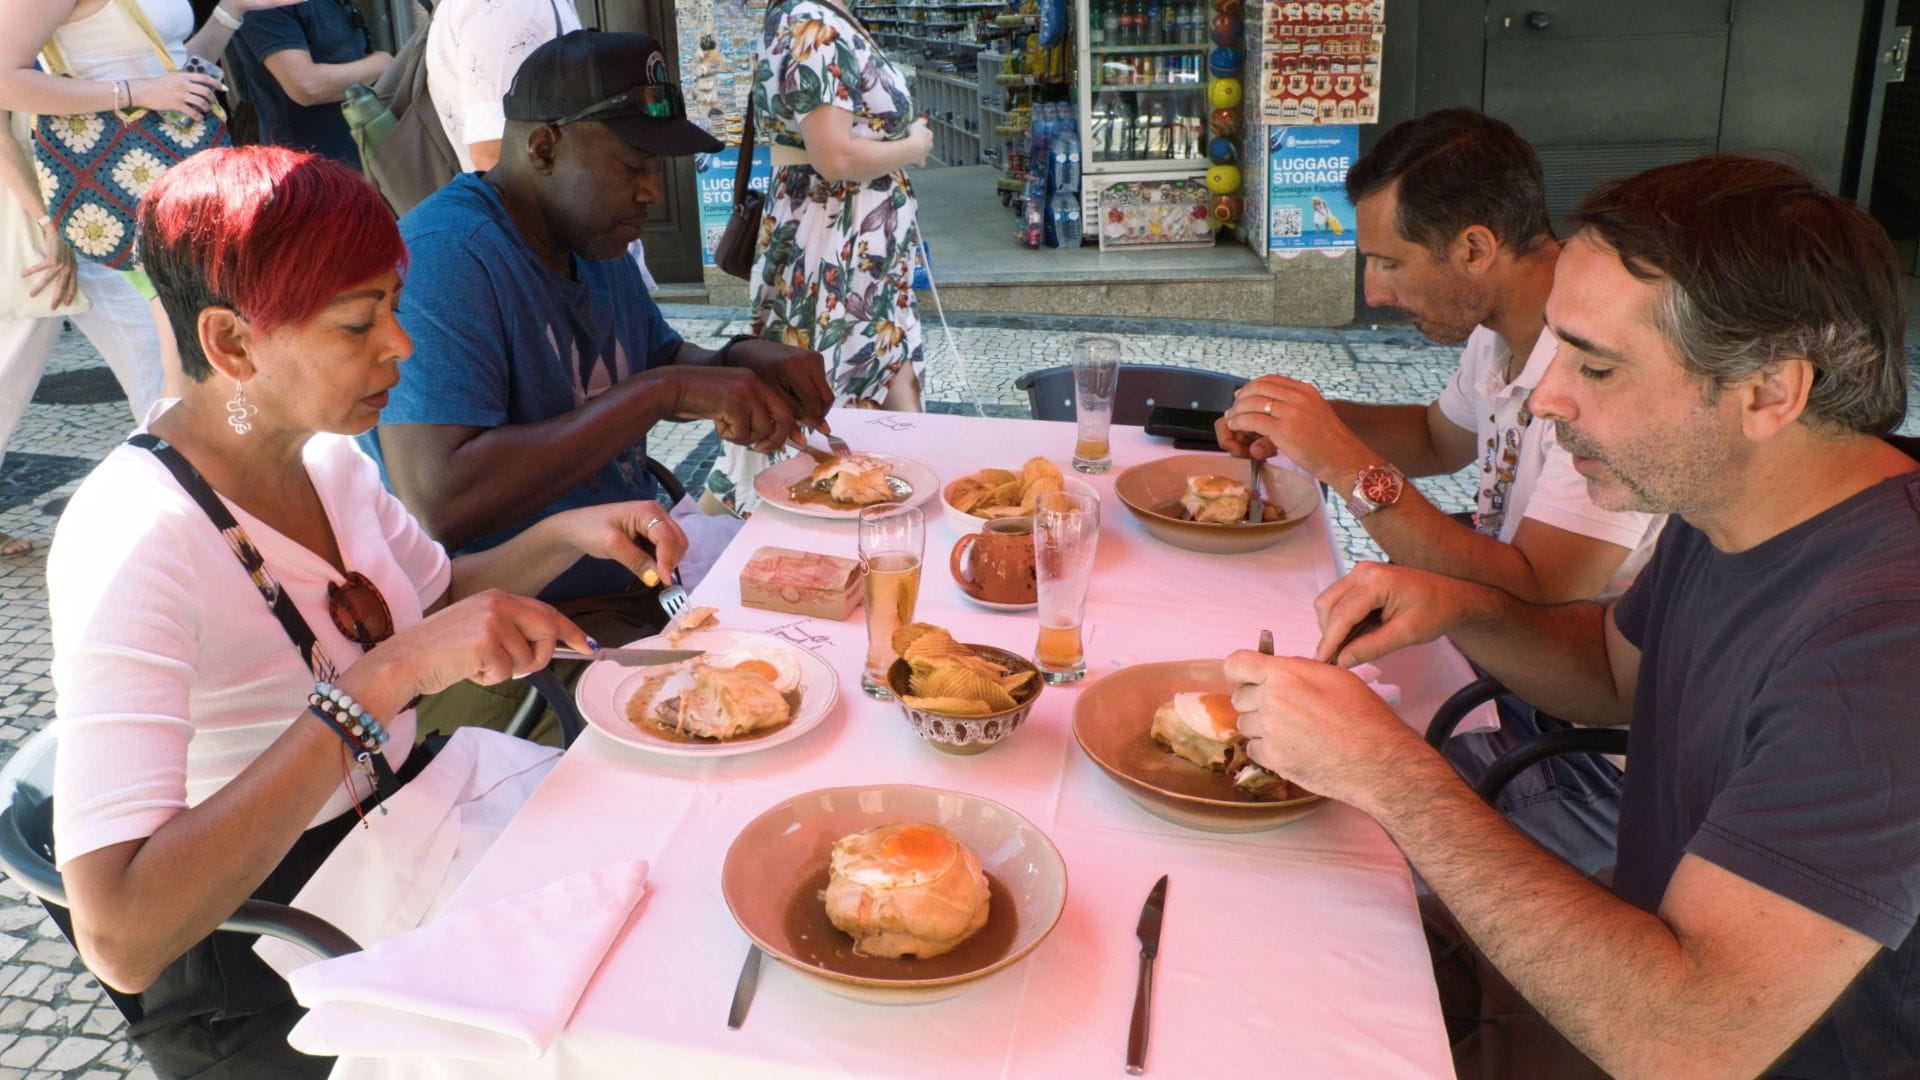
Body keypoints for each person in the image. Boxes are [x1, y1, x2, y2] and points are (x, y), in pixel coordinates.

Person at [1227, 155, 1919, 1076]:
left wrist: (1392, 771)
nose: (1547, 400)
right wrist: (1460, 607)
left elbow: (1690, 1040)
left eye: (1594, 366)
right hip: (1641, 957)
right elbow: (1610, 673)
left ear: (1767, 391)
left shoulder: (1881, 651)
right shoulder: (1738, 507)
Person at [46, 144, 691, 1077]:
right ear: (231, 344)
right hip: (276, 951)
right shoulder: (134, 537)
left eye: (394, 304)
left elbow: (435, 604)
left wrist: (572, 533)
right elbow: (122, 933)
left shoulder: (329, 457)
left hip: (407, 835)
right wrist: (384, 680)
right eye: (359, 323)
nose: (403, 345)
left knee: (660, 903)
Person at [1220, 109, 1663, 873]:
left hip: (1576, 747)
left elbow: (1541, 592)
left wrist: (1349, 467)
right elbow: (1435, 437)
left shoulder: (1599, 370)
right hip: (1490, 669)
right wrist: (1307, 423)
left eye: (1390, 263)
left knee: (1312, 843)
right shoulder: (1502, 329)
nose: (1374, 289)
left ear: (1474, 248)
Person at [364, 30, 832, 740]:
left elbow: (653, 361)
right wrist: (664, 393)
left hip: (642, 580)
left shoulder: (594, 238)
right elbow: (443, 501)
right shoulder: (447, 259)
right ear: (544, 147)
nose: (651, 191)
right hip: (526, 631)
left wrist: (742, 360)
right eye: (632, 167)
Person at [703, 0, 933, 516]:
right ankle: (770, 513)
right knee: (824, 383)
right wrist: (914, 146)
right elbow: (835, 157)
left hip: (847, 240)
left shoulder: (812, 15)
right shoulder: (815, 25)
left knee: (866, 367)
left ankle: (905, 501)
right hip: (836, 239)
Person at [0, 0, 285, 402]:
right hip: (113, 197)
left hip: (170, 188)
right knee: (179, 375)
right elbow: (4, 80)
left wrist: (231, 11)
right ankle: (176, 454)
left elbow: (170, 72)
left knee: (194, 369)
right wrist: (139, 92)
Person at [0, 111, 165, 557]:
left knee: (156, 356)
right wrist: (47, 222)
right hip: (42, 206)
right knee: (8, 371)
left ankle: (192, 501)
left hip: (89, 197)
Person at [228, 0, 391, 168]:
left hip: (359, 156)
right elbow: (305, 86)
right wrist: (382, 65)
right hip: (309, 172)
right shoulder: (265, 5)